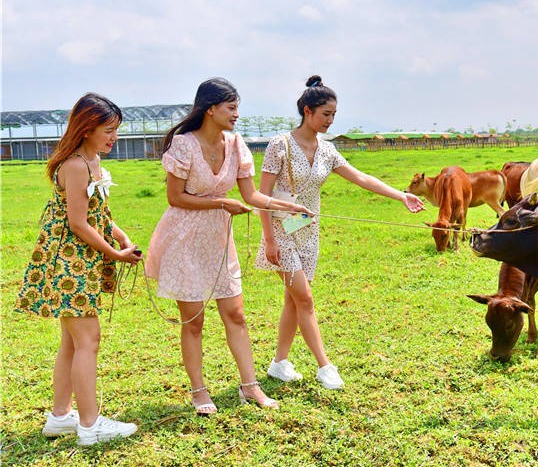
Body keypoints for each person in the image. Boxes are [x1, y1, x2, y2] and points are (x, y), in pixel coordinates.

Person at [145, 78, 312, 415]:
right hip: (184, 238)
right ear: (210, 109)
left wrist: (287, 206)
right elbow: (175, 197)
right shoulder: (183, 145)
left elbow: (251, 196)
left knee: (235, 314)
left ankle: (250, 386)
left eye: (237, 107)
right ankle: (198, 391)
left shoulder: (236, 144)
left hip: (219, 240)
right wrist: (222, 203)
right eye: (231, 107)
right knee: (193, 320)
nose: (237, 114)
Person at [256, 75, 425, 390]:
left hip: (309, 230)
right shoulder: (280, 144)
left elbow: (361, 177)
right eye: (325, 115)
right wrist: (268, 239)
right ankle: (325, 366)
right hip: (280, 230)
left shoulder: (328, 150)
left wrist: (401, 195)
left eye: (334, 115)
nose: (330, 121)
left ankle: (279, 363)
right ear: (308, 111)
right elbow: (261, 196)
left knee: (294, 300)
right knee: (304, 299)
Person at [15, 93, 142, 446]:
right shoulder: (74, 165)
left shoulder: (93, 161)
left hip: (80, 260)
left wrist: (122, 238)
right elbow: (78, 223)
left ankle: (60, 416)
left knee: (72, 341)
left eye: (115, 130)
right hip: (69, 263)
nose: (113, 137)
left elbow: (99, 214)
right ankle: (90, 425)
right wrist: (115, 256)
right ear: (86, 128)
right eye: (108, 130)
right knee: (88, 340)